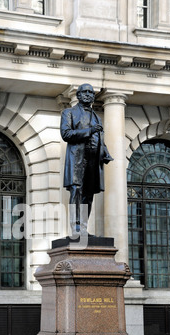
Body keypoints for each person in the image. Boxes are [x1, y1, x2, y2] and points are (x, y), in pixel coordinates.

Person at [60, 84, 113, 235]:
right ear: (78, 95)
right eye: (85, 92)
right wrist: (89, 131)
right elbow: (66, 134)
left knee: (89, 194)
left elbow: (99, 137)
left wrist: (105, 152)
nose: (89, 95)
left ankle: (83, 227)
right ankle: (75, 227)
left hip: (93, 159)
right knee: (76, 190)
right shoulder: (68, 113)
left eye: (91, 92)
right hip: (77, 158)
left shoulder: (96, 116)